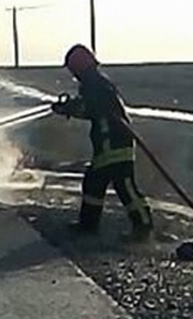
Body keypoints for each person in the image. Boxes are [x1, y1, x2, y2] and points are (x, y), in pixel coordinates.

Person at [52, 43, 154, 242]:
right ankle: (88, 225)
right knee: (93, 183)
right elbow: (92, 108)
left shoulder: (95, 84)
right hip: (108, 146)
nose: (73, 75)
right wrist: (70, 107)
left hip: (115, 145)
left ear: (78, 67)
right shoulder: (95, 82)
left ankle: (144, 226)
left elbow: (91, 108)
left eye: (73, 70)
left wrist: (69, 109)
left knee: (125, 186)